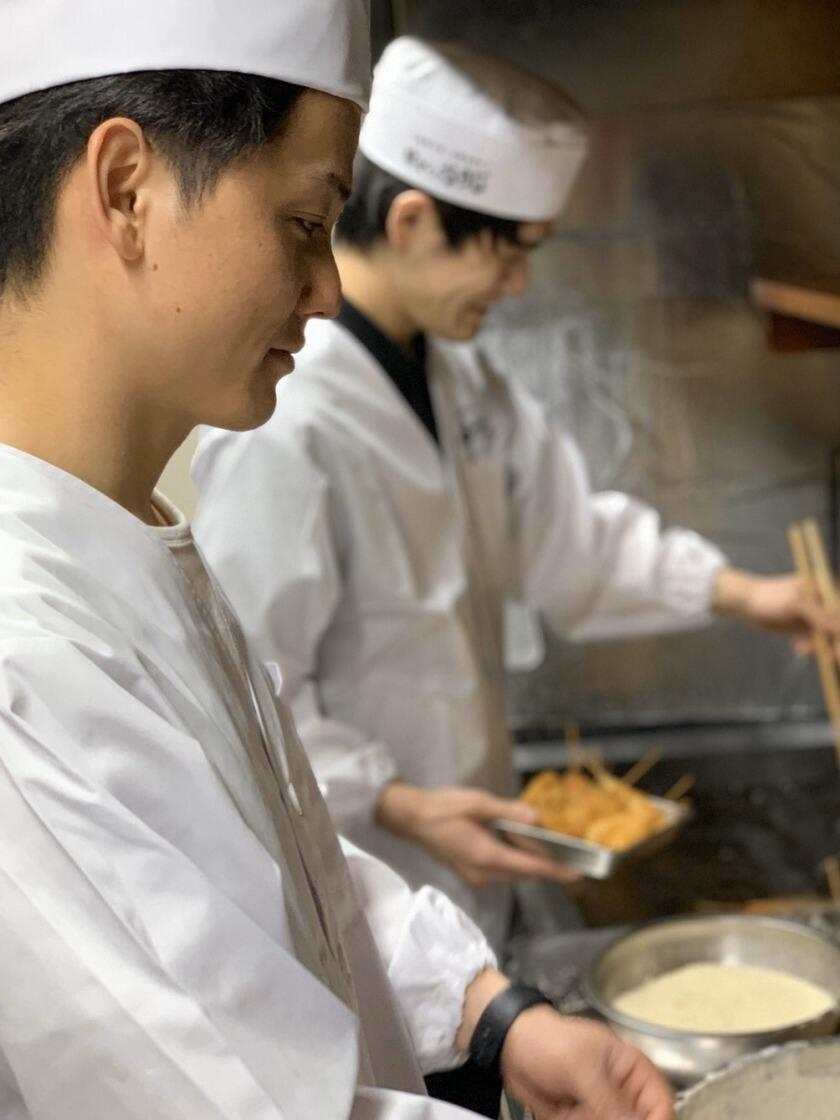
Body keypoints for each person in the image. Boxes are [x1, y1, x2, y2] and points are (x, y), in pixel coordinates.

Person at [0, 5, 677, 1119]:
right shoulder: (24, 656)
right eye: (305, 221)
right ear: (126, 190)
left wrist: (488, 1013)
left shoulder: (128, 542)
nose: (328, 286)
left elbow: (274, 878)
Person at [192, 36, 840, 952]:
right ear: (413, 223)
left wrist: (753, 595)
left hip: (475, 867)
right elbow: (254, 694)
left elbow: (569, 541)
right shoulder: (284, 418)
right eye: (510, 252)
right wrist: (398, 803)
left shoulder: (459, 378)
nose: (520, 283)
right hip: (369, 882)